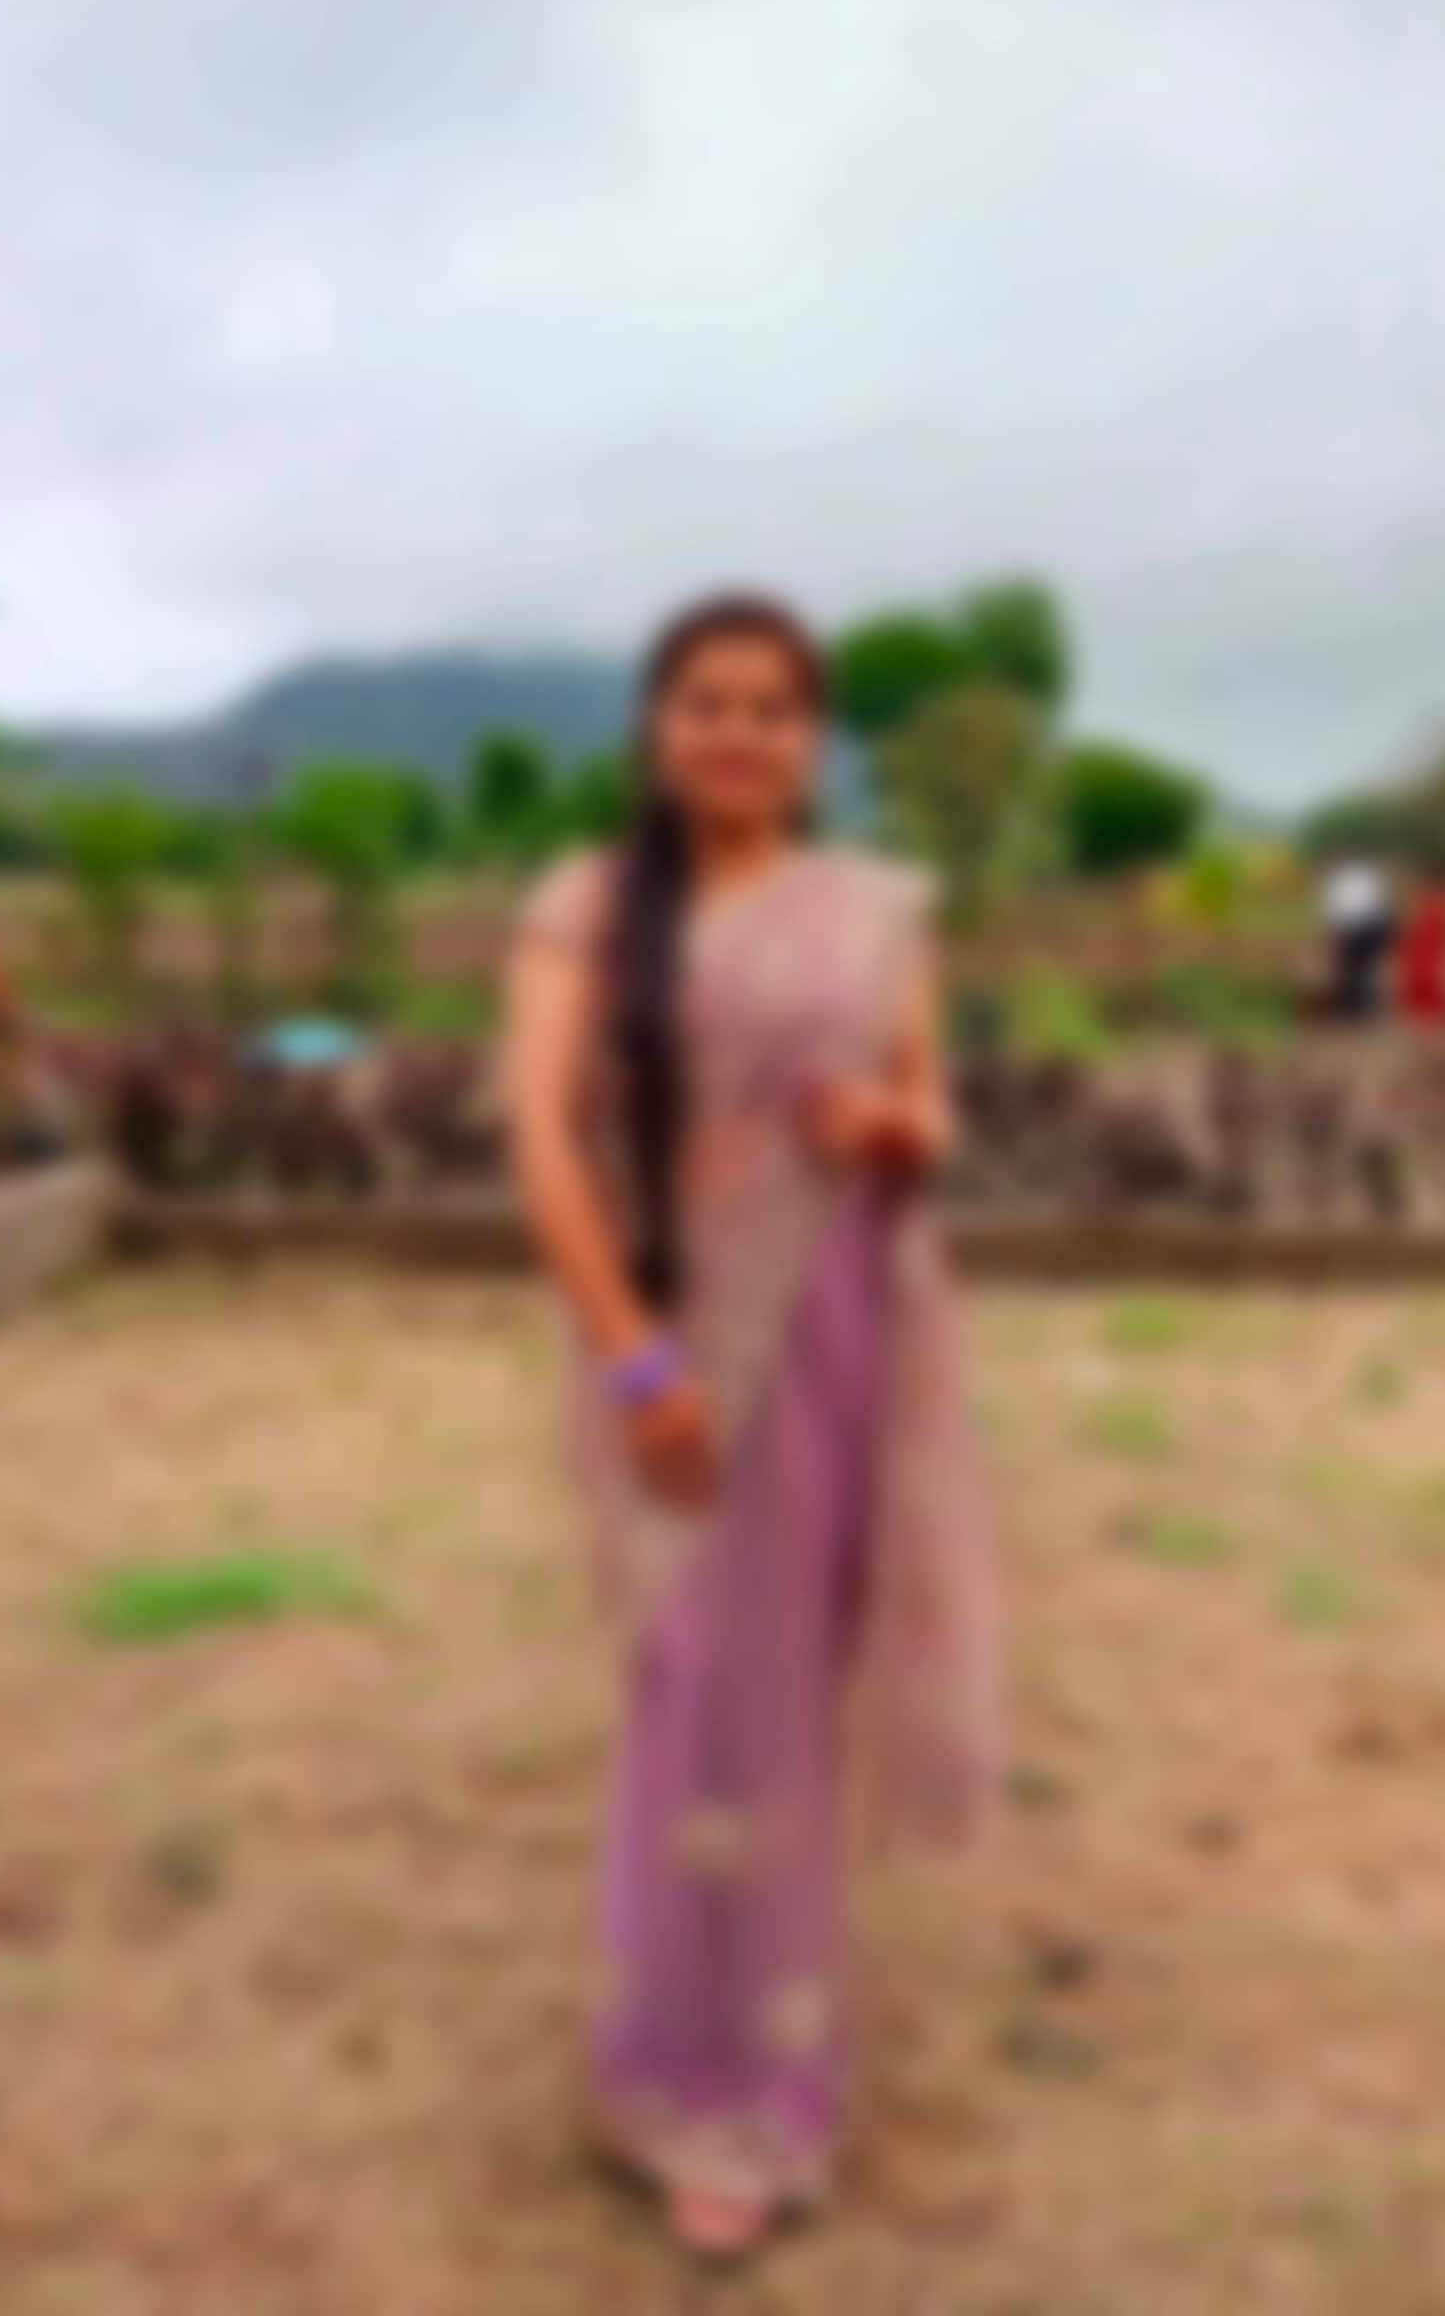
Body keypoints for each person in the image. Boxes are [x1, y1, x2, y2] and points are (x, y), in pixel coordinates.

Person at [503, 595, 994, 2261]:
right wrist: (636, 1363)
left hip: (832, 1332)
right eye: (706, 702)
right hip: (663, 1340)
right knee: (691, 1690)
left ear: (812, 740)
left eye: (773, 709)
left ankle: (771, 2068)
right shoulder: (584, 904)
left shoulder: (873, 913)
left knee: (783, 1702)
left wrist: (887, 1123)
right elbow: (542, 1142)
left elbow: (934, 1111)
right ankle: (670, 2064)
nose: (738, 733)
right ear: (657, 724)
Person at [1319, 851, 1395, 1021]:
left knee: (1351, 969)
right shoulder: (1364, 877)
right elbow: (1381, 906)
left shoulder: (1338, 882)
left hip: (1355, 930)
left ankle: (1353, 1006)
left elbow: (1334, 914)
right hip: (1369, 929)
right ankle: (1359, 1006)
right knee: (1361, 969)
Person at [1396, 851, 1445, 1025]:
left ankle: (1428, 1025)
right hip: (1426, 954)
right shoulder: (1438, 900)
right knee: (1427, 991)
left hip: (1429, 954)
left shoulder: (1437, 901)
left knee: (1429, 991)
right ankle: (1427, 1025)